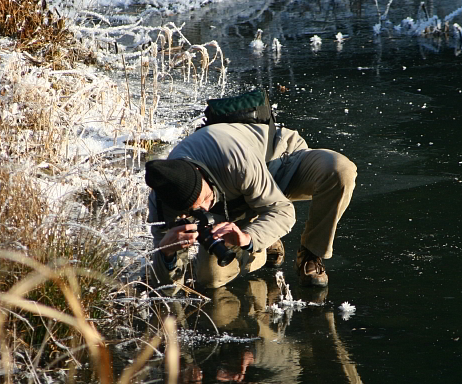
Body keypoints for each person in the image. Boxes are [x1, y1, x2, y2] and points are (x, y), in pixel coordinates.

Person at [145, 89, 356, 289]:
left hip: (278, 164)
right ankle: (263, 242)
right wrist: (167, 253)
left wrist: (249, 238)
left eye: (205, 200)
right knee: (210, 278)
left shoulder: (231, 157)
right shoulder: (162, 198)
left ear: (203, 176)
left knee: (340, 171)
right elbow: (168, 288)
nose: (202, 210)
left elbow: (284, 212)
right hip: (238, 198)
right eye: (194, 211)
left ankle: (310, 253)